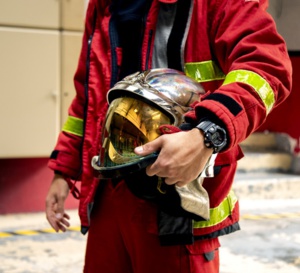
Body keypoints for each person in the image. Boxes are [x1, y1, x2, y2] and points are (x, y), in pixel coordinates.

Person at [45, 0, 292, 272]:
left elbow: (267, 66)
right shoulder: (102, 5)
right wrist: (63, 171)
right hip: (106, 190)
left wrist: (206, 133)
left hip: (176, 195)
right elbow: (88, 99)